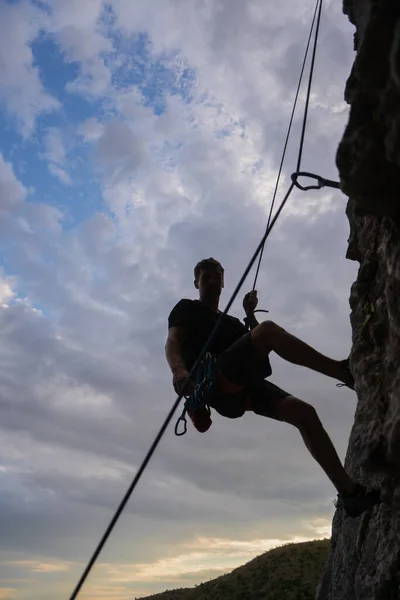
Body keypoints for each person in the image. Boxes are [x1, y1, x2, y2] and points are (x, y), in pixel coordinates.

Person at [165, 257, 381, 518]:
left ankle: (350, 495)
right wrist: (178, 370)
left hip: (243, 387)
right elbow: (173, 341)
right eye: (205, 276)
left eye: (216, 276)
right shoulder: (187, 308)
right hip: (214, 379)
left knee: (304, 413)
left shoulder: (232, 323)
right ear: (196, 282)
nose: (212, 280)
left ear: (223, 281)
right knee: (267, 331)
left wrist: (248, 316)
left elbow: (260, 354)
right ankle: (344, 372)